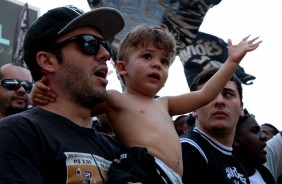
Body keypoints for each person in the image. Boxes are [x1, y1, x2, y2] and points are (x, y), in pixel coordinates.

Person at [32, 24, 261, 183]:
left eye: (164, 61)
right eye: (147, 57)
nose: (157, 65)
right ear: (122, 68)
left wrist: (231, 61)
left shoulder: (166, 104)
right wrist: (42, 91)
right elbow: (72, 105)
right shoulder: (115, 98)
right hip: (141, 172)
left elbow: (205, 95)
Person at [0, 5, 126, 183]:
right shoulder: (16, 135)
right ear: (48, 61)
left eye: (104, 44)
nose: (105, 54)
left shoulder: (117, 148)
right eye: (89, 43)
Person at [180, 67, 251, 184]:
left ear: (241, 107)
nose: (219, 101)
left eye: (227, 94)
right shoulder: (185, 150)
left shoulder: (239, 169)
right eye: (210, 95)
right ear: (194, 108)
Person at [233, 109, 275, 183]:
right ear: (235, 139)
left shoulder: (266, 175)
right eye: (255, 131)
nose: (264, 136)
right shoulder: (220, 175)